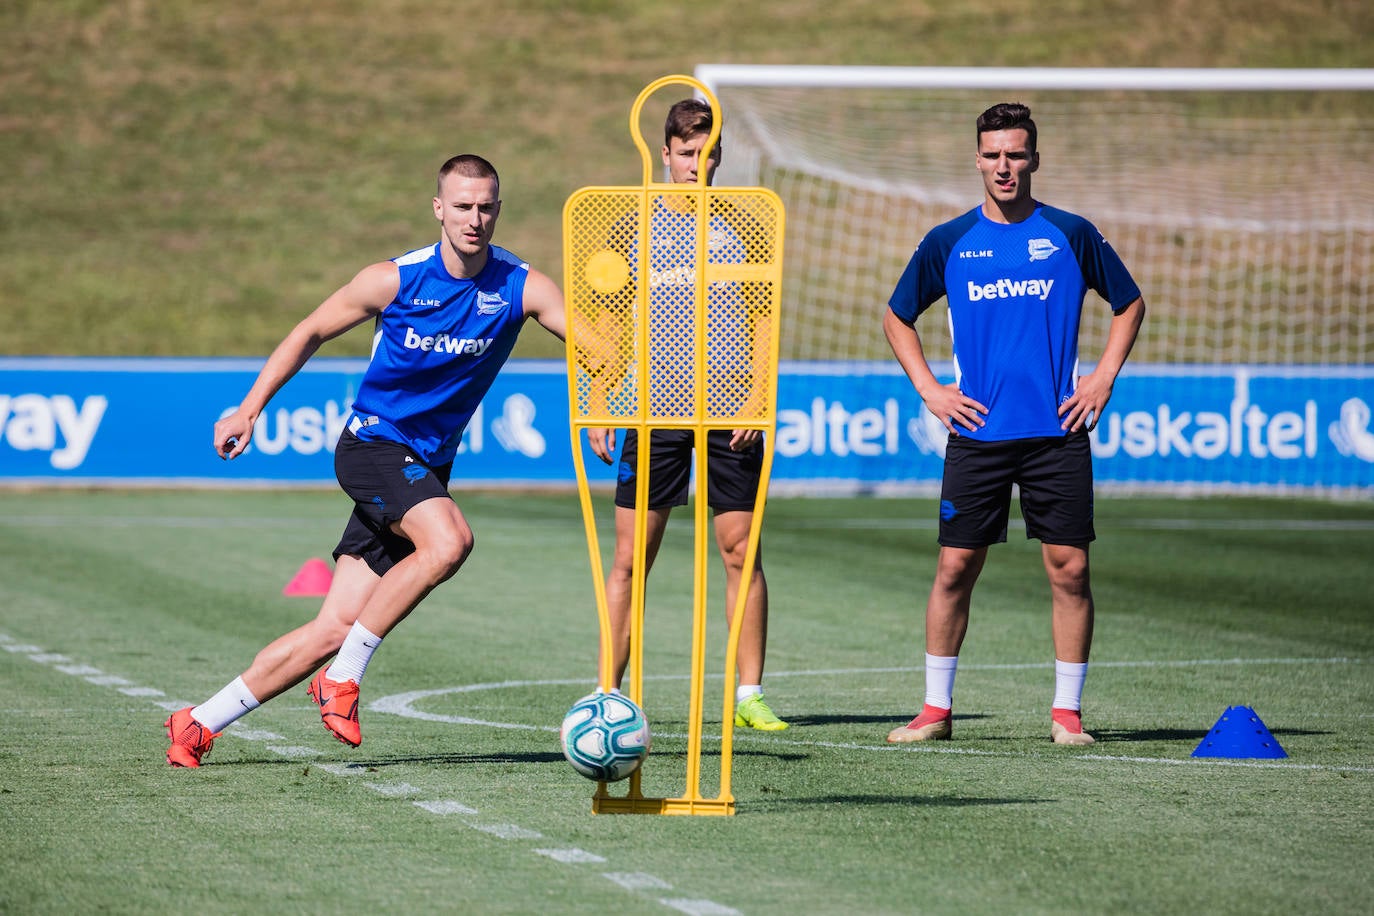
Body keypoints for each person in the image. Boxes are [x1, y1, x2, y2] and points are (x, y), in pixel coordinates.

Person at [165, 154, 567, 767]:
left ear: (499, 209)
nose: (474, 218)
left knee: (333, 626)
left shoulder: (522, 286)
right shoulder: (395, 279)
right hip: (373, 447)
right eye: (462, 206)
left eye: (486, 206)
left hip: (425, 468)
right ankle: (342, 680)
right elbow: (309, 330)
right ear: (439, 208)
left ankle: (197, 722)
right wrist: (249, 409)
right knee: (450, 542)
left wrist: (624, 358)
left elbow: (595, 343)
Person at [883, 102, 1145, 746]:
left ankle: (1066, 715)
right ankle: (936, 710)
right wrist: (931, 391)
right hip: (976, 434)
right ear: (977, 159)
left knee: (1070, 569)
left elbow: (1130, 303)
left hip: (1058, 432)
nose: (1005, 167)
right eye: (994, 155)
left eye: (1016, 154)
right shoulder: (948, 241)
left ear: (1034, 158)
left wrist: (1103, 376)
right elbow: (896, 316)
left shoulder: (1072, 233)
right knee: (954, 569)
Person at [584, 98, 787, 731]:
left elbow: (761, 322)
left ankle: (748, 694)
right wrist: (598, 401)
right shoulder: (631, 225)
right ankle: (607, 694)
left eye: (708, 153)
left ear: (720, 155)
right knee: (631, 558)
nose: (696, 164)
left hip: (729, 408)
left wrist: (758, 395)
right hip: (653, 407)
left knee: (739, 550)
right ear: (665, 154)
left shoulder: (744, 224)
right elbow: (610, 324)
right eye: (686, 152)